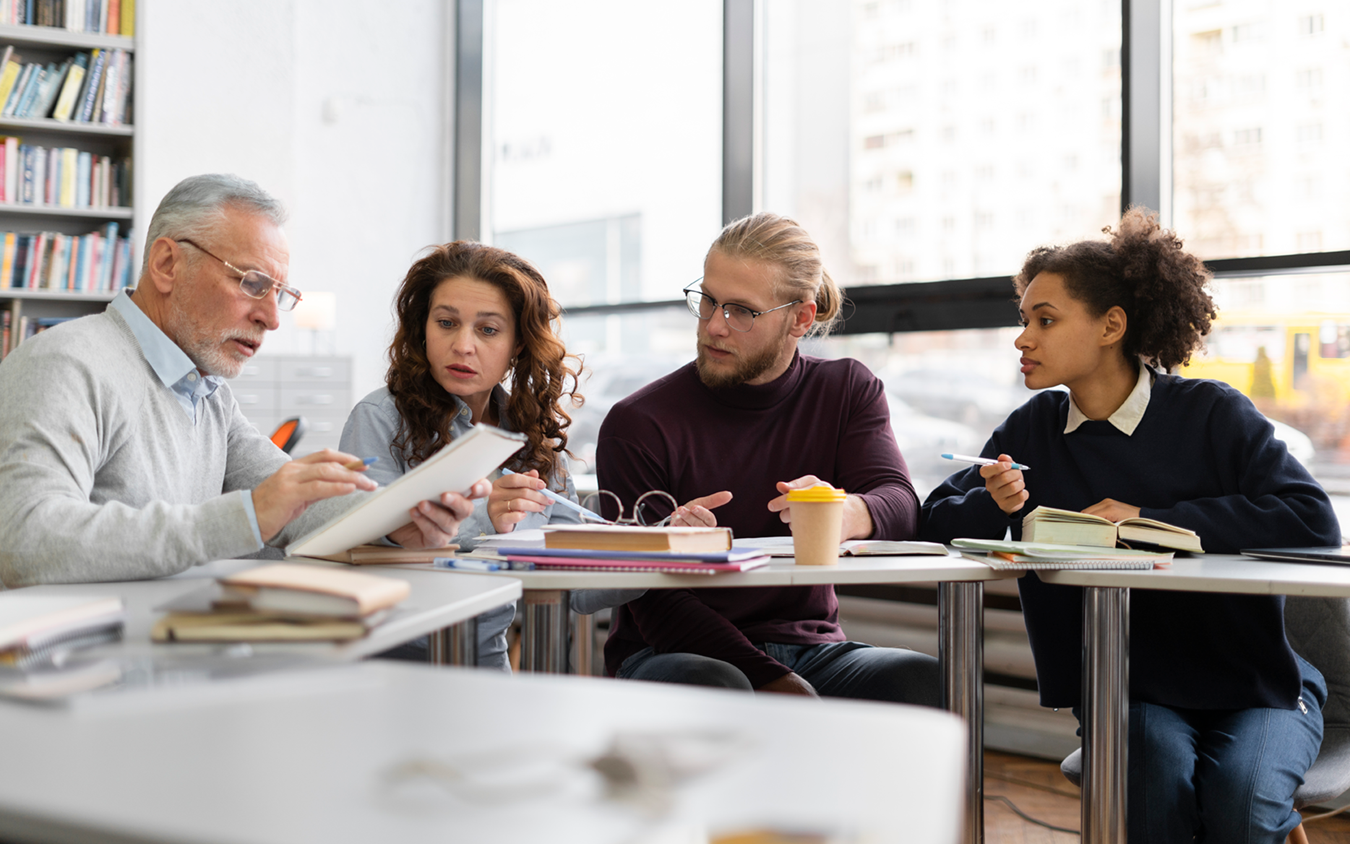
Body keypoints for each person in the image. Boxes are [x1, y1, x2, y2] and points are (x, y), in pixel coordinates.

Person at [920, 208, 1340, 843]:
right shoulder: (1032, 428)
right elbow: (936, 522)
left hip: (1258, 684)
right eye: (1023, 320)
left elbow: (1312, 518)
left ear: (1111, 326)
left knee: (1239, 800)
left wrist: (1150, 521)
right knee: (1153, 787)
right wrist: (999, 504)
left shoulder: (1212, 414)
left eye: (1045, 320)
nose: (1022, 338)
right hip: (1129, 687)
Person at [0, 174, 484, 590]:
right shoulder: (66, 363)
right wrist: (246, 517)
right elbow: (25, 540)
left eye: (280, 294)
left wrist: (400, 521)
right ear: (168, 264)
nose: (272, 318)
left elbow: (296, 503)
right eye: (253, 283)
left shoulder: (208, 395)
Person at [594, 212, 939, 704]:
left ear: (800, 317)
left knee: (921, 680)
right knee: (723, 687)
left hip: (811, 649)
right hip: (670, 651)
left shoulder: (847, 390)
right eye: (708, 301)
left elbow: (901, 504)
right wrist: (770, 679)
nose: (714, 326)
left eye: (741, 311)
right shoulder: (639, 422)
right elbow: (654, 599)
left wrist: (843, 513)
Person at [341, 241, 584, 670]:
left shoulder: (529, 433)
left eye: (488, 330)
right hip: (388, 665)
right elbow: (360, 545)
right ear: (423, 329)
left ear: (519, 346)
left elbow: (580, 582)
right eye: (446, 323)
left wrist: (669, 545)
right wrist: (482, 518)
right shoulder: (378, 419)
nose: (462, 345)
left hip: (487, 664)